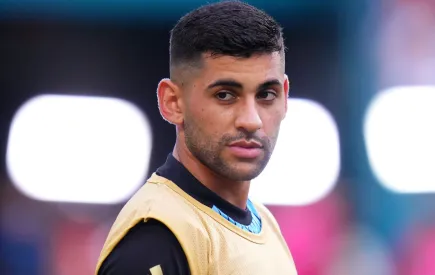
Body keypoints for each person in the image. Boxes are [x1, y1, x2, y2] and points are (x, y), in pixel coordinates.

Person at [95, 1, 296, 274]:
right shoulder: (158, 237)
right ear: (173, 102)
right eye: (225, 95)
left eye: (266, 95)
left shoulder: (264, 222)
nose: (251, 120)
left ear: (284, 97)